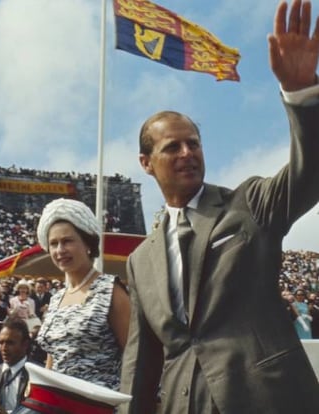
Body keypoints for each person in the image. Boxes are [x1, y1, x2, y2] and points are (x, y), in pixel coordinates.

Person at [118, 1, 319, 413]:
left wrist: (301, 94)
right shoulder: (140, 261)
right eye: (172, 147)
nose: (187, 152)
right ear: (146, 163)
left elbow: (310, 172)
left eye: (194, 143)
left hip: (266, 398)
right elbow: (142, 359)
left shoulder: (249, 203)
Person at [36, 198, 130, 390]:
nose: (60, 250)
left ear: (88, 243)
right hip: (58, 405)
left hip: (100, 404)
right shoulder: (55, 299)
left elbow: (135, 356)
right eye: (53, 244)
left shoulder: (110, 290)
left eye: (67, 241)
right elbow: (52, 361)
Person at [0, 317, 30, 414]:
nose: (4, 348)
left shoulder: (35, 375)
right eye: (1, 343)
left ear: (25, 344)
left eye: (10, 343)